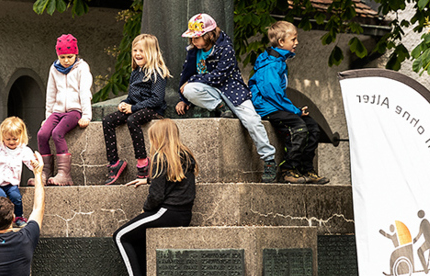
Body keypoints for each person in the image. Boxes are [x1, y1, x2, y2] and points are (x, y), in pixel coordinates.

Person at [175, 13, 278, 183]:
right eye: (192, 37)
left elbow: (220, 76)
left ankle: (268, 160)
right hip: (211, 90)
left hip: (232, 89)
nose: (193, 41)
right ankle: (221, 107)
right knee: (189, 90)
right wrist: (183, 98)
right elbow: (187, 74)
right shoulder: (194, 51)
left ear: (209, 35)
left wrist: (193, 80)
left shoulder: (225, 48)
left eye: (197, 37)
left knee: (252, 120)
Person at [113, 119, 197, 276]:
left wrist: (145, 210)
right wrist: (149, 179)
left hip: (167, 211)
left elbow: (157, 196)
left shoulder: (160, 157)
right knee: (136, 236)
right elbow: (174, 178)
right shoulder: (184, 154)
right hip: (183, 214)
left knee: (120, 236)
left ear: (157, 138)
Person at [249, 21, 329, 184]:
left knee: (313, 127)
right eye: (293, 39)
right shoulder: (270, 65)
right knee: (298, 126)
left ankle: (306, 169)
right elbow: (273, 95)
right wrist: (295, 111)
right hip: (267, 108)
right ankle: (288, 170)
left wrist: (295, 110)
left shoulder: (279, 62)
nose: (297, 43)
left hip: (276, 105)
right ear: (281, 42)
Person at [102, 33, 170, 185]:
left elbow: (156, 99)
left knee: (133, 120)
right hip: (135, 107)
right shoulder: (136, 72)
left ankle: (143, 163)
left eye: (142, 51)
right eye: (135, 51)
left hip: (153, 109)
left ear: (151, 53)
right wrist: (124, 103)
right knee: (108, 120)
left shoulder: (157, 73)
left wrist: (134, 108)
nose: (137, 54)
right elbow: (132, 96)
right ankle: (114, 163)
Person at [34, 33, 92, 187]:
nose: (66, 61)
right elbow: (51, 94)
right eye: (63, 57)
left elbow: (84, 92)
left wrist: (86, 115)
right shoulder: (54, 68)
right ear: (58, 55)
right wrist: (48, 117)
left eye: (70, 56)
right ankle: (45, 172)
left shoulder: (82, 68)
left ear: (76, 54)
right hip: (57, 111)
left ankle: (64, 174)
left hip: (74, 111)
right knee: (42, 134)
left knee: (57, 133)